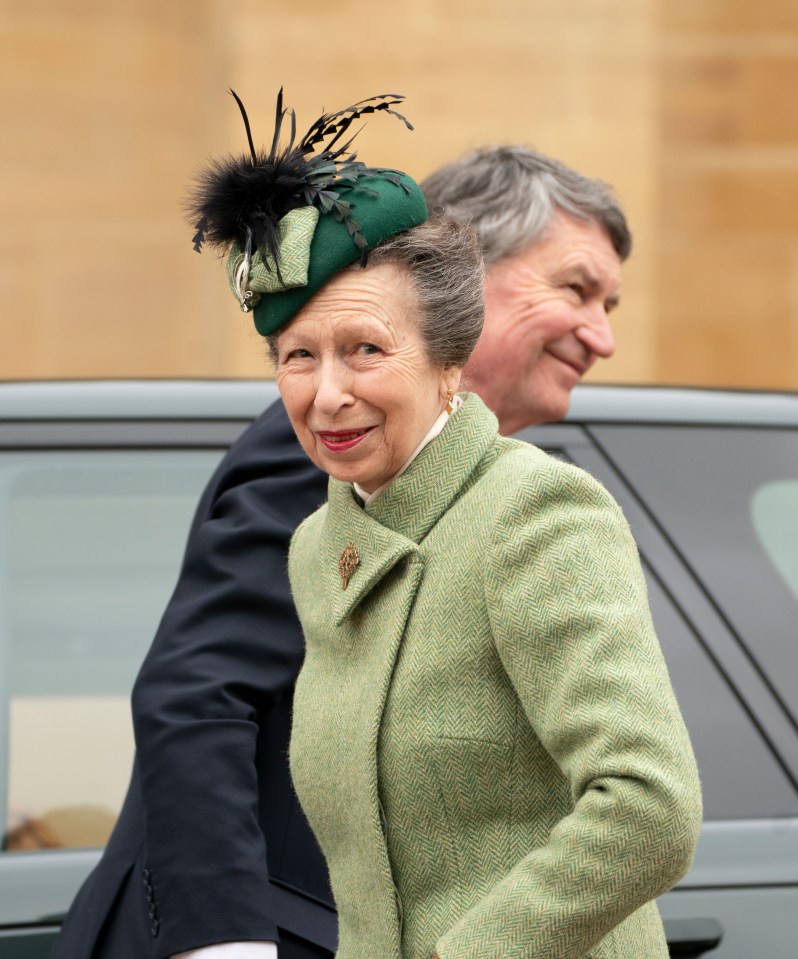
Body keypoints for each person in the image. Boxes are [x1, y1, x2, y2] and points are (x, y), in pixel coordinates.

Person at [49, 94, 634, 959]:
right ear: (462, 274)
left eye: (612, 304)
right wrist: (229, 944)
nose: (602, 336)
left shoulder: (503, 485)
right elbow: (197, 697)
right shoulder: (338, 442)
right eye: (577, 289)